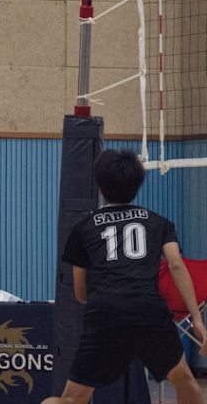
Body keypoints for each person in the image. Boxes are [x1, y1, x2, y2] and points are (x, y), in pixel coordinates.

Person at [41, 149, 207, 404]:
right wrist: (196, 318)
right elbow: (176, 265)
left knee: (72, 398)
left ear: (100, 185)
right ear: (138, 185)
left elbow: (81, 295)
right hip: (148, 310)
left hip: (104, 312)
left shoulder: (83, 228)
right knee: (184, 380)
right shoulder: (159, 223)